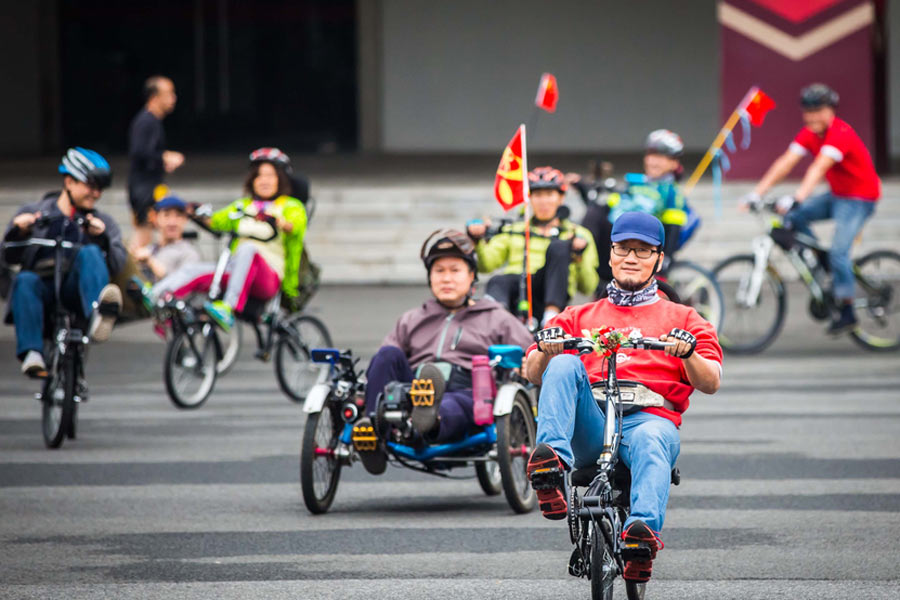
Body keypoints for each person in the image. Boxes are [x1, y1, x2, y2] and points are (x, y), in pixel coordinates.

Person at [523, 212, 722, 583]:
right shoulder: (578, 315)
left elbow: (711, 381)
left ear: (659, 260)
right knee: (564, 363)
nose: (632, 258)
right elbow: (532, 372)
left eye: (643, 251)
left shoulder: (684, 317)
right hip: (592, 421)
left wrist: (688, 353)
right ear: (610, 254)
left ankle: (640, 540)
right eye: (624, 249)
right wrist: (545, 349)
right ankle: (549, 468)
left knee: (651, 439)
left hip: (648, 418)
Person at [352, 229, 534, 474]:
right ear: (430, 278)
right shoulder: (412, 318)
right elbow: (384, 366)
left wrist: (528, 362)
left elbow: (531, 351)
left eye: (455, 270)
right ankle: (374, 430)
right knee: (386, 355)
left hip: (467, 388)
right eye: (439, 271)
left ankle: (428, 422)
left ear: (472, 277)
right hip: (413, 388)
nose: (446, 278)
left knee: (450, 404)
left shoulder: (495, 317)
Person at [741, 83, 881, 334]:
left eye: (819, 110)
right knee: (793, 218)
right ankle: (822, 261)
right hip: (837, 195)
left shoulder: (840, 133)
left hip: (860, 198)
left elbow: (818, 168)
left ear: (831, 110)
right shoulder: (809, 133)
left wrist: (797, 197)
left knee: (839, 253)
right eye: (809, 110)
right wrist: (757, 193)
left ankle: (847, 311)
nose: (813, 116)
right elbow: (785, 163)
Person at [3, 148, 126, 377]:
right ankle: (32, 354)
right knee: (25, 279)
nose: (96, 193)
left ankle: (99, 316)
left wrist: (101, 238)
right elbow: (7, 258)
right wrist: (17, 232)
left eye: (100, 188)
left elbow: (118, 264)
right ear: (69, 181)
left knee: (90, 252)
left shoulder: (103, 222)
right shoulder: (34, 213)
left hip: (77, 293)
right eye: (91, 185)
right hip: (41, 291)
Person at [150, 152, 307, 330]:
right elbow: (217, 221)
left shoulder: (291, 206)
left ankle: (229, 307)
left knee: (248, 247)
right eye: (259, 176)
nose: (264, 181)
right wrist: (195, 211)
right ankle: (155, 296)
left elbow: (295, 226)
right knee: (194, 270)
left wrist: (278, 221)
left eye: (270, 176)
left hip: (268, 277)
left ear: (280, 179)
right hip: (237, 269)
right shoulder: (244, 206)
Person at [467, 166, 599, 327]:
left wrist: (578, 255)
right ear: (529, 198)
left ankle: (550, 321)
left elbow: (588, 287)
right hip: (517, 291)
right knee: (498, 281)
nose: (543, 201)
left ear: (561, 198)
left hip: (553, 295)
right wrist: (478, 241)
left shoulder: (578, 234)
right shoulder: (514, 229)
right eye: (537, 195)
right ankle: (494, 321)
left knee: (559, 247)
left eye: (549, 194)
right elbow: (485, 265)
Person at [574, 130, 689, 288]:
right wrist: (584, 187)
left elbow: (673, 228)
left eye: (661, 157)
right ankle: (579, 253)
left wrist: (666, 259)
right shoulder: (635, 183)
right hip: (614, 238)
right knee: (596, 210)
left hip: (640, 243)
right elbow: (611, 206)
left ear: (674, 163)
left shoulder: (671, 191)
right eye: (651, 155)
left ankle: (582, 255)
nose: (654, 161)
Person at [128, 75, 184, 249]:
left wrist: (161, 160)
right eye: (168, 94)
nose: (173, 98)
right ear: (154, 97)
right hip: (143, 188)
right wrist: (164, 157)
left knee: (149, 230)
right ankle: (126, 272)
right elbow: (139, 151)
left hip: (150, 185)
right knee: (143, 235)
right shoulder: (146, 121)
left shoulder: (153, 121)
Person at [131, 195, 200, 284]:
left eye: (178, 216)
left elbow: (181, 286)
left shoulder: (189, 253)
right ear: (156, 218)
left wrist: (150, 261)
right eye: (166, 215)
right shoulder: (149, 250)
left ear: (185, 220)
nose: (172, 222)